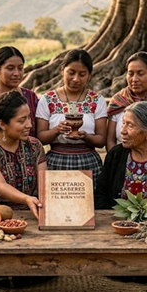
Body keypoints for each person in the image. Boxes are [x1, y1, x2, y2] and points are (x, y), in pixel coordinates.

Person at [36, 49, 108, 188]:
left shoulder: (96, 100)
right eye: (71, 72)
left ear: (89, 75)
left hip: (88, 161)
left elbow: (101, 140)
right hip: (56, 161)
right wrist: (57, 130)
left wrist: (86, 136)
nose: (76, 79)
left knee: (89, 200)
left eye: (82, 74)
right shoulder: (48, 99)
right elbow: (40, 137)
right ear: (62, 70)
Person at [0, 91, 47, 219]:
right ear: (2, 124)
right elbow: (0, 186)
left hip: (32, 214)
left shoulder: (35, 146)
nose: (29, 125)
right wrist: (27, 199)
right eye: (22, 120)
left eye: (29, 118)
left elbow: (44, 182)